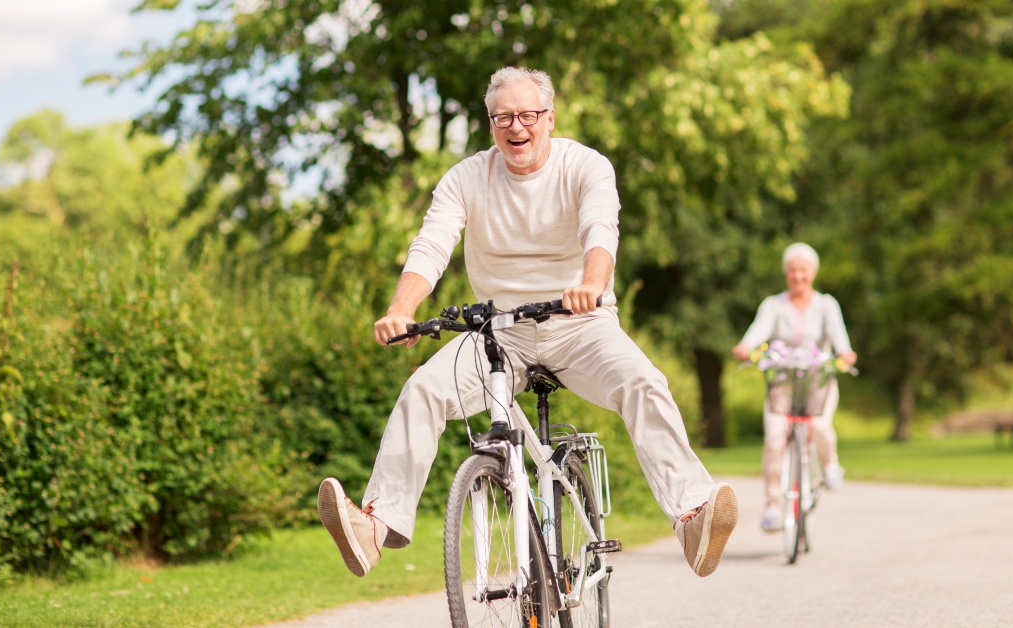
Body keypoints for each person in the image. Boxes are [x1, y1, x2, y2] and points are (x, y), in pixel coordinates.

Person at [316, 67, 738, 579]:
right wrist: (401, 309)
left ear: (549, 118)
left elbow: (600, 229)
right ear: (491, 124)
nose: (516, 127)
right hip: (498, 332)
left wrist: (591, 283)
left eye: (527, 115)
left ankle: (692, 517)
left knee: (643, 382)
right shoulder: (466, 177)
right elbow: (431, 245)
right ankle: (375, 527)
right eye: (503, 118)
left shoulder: (585, 166)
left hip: (580, 324)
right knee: (423, 389)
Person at [731, 243, 856, 533]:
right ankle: (773, 506)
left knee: (820, 425)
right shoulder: (774, 305)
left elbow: (840, 339)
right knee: (775, 439)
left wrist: (845, 353)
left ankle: (831, 465)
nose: (798, 276)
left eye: (803, 271)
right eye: (792, 271)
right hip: (783, 383)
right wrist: (746, 347)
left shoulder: (827, 304)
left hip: (818, 382)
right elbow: (758, 331)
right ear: (786, 273)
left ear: (812, 273)